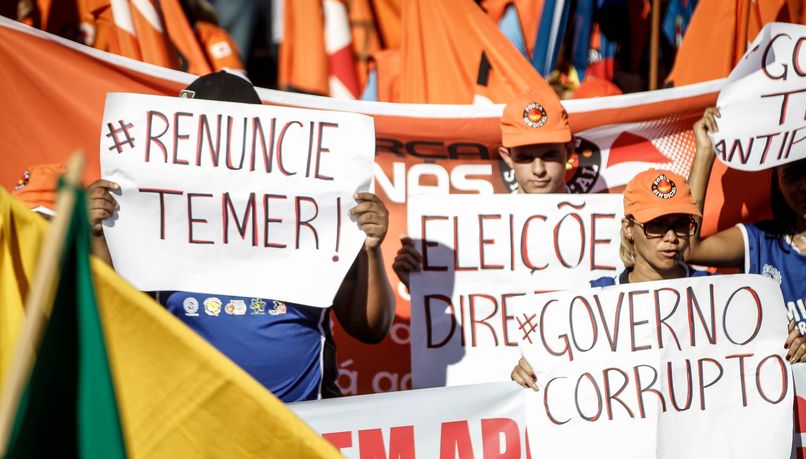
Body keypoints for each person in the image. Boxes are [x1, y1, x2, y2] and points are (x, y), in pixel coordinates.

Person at [87, 71, 395, 402]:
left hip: (307, 420)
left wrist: (370, 250)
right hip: (198, 419)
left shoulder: (314, 207)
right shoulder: (156, 211)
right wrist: (98, 236)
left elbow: (370, 327)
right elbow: (116, 318)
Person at [511, 124, 806, 389]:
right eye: (656, 226)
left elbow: (766, 365)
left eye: (680, 224)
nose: (671, 237)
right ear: (629, 229)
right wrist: (529, 369)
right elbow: (553, 366)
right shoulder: (595, 299)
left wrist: (800, 353)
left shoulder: (723, 295)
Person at [685, 109, 806, 360]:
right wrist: (704, 152)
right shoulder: (760, 241)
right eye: (793, 175)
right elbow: (689, 247)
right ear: (777, 180)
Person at [393, 88, 573, 288]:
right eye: (525, 158)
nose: (538, 170)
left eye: (549, 156)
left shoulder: (597, 226)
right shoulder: (479, 230)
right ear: (507, 157)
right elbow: (471, 297)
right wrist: (422, 285)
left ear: (569, 150)